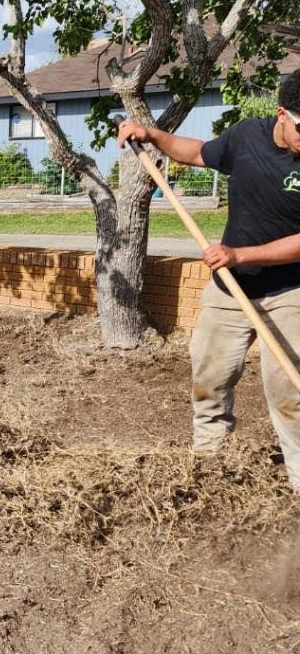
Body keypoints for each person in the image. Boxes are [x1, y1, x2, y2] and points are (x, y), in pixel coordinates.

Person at [118, 69, 300, 489]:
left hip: (291, 291)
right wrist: (153, 136)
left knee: (289, 392)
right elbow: (200, 152)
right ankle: (209, 463)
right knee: (210, 378)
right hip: (230, 289)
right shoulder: (246, 136)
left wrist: (241, 253)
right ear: (281, 115)